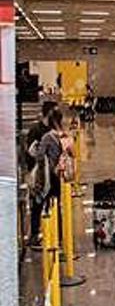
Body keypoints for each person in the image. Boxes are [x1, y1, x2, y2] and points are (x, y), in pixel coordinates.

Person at [35, 109, 74, 242]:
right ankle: (60, 234)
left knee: (47, 204)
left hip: (50, 175)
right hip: (61, 175)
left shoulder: (47, 137)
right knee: (58, 204)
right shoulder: (65, 136)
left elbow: (40, 155)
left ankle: (50, 235)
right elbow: (72, 153)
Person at [23, 101, 58, 246]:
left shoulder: (55, 130)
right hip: (41, 175)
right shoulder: (36, 130)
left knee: (55, 204)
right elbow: (30, 153)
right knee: (37, 205)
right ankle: (35, 234)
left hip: (54, 174)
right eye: (55, 112)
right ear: (49, 112)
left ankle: (58, 235)